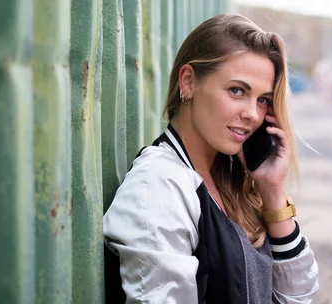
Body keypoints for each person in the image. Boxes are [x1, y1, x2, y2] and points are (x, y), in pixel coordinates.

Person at [103, 13, 319, 303]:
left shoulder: (231, 179)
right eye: (237, 90)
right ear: (189, 81)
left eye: (262, 99)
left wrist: (273, 192)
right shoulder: (158, 187)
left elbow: (297, 297)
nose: (253, 114)